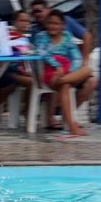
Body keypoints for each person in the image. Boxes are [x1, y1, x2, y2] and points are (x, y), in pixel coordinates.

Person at [29, 0, 98, 112]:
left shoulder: (65, 24)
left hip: (69, 70)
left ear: (48, 9)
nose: (36, 14)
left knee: (91, 80)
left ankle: (67, 112)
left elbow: (86, 36)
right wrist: (57, 66)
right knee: (62, 83)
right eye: (33, 12)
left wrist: (84, 60)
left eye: (38, 10)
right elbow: (38, 53)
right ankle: (57, 115)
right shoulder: (37, 32)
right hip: (51, 72)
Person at [33, 9, 90, 137]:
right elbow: (41, 52)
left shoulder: (67, 37)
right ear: (46, 24)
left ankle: (63, 80)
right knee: (66, 86)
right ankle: (72, 126)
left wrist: (69, 71)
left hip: (64, 73)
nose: (53, 26)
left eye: (56, 23)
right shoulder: (41, 37)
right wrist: (56, 65)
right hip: (49, 74)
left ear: (63, 25)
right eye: (50, 23)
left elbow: (76, 57)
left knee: (87, 70)